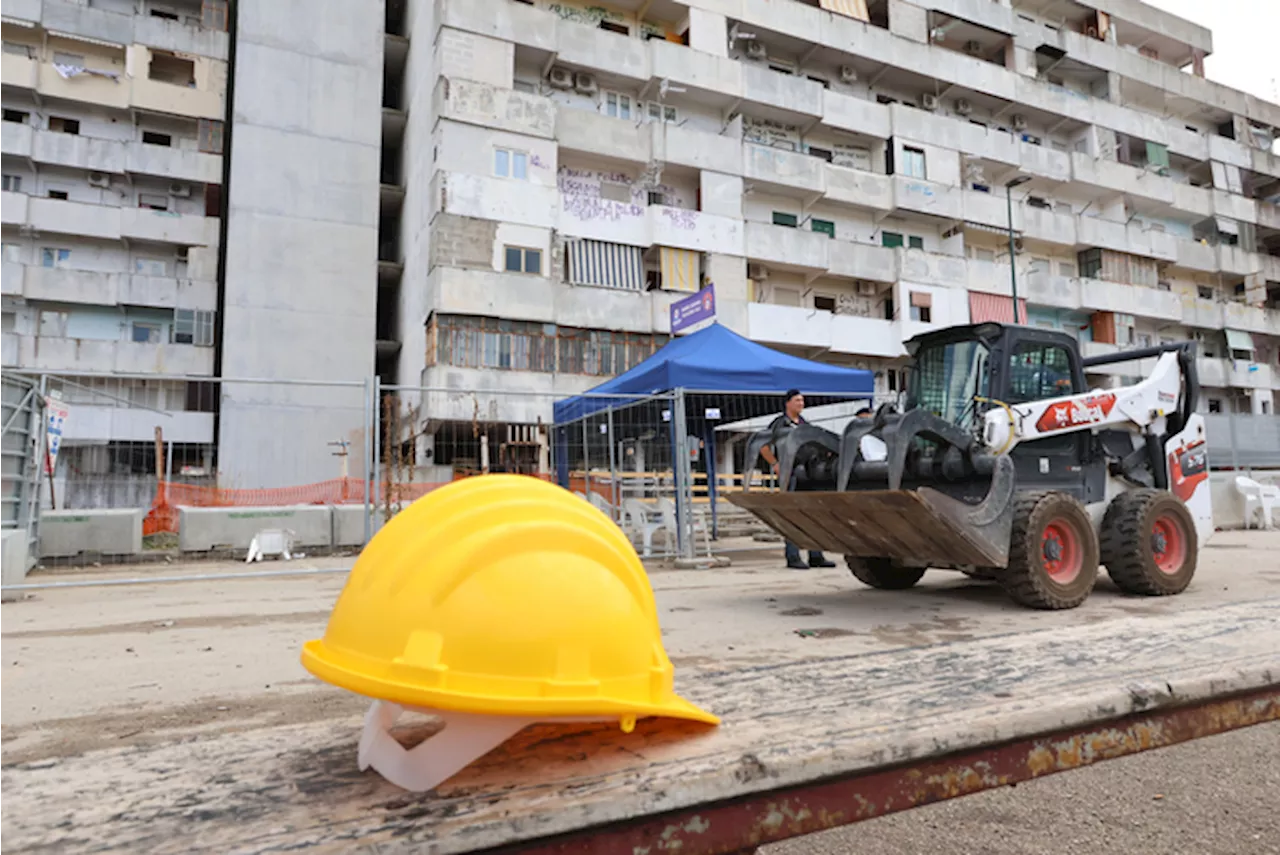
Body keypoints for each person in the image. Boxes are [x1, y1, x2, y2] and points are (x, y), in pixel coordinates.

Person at [759, 389, 836, 571]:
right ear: (788, 403)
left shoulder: (804, 424)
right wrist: (775, 464)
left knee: (813, 514)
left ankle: (815, 555)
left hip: (809, 474)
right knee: (792, 514)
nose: (801, 403)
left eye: (802, 400)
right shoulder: (779, 424)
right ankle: (793, 556)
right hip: (790, 474)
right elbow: (763, 445)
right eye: (797, 400)